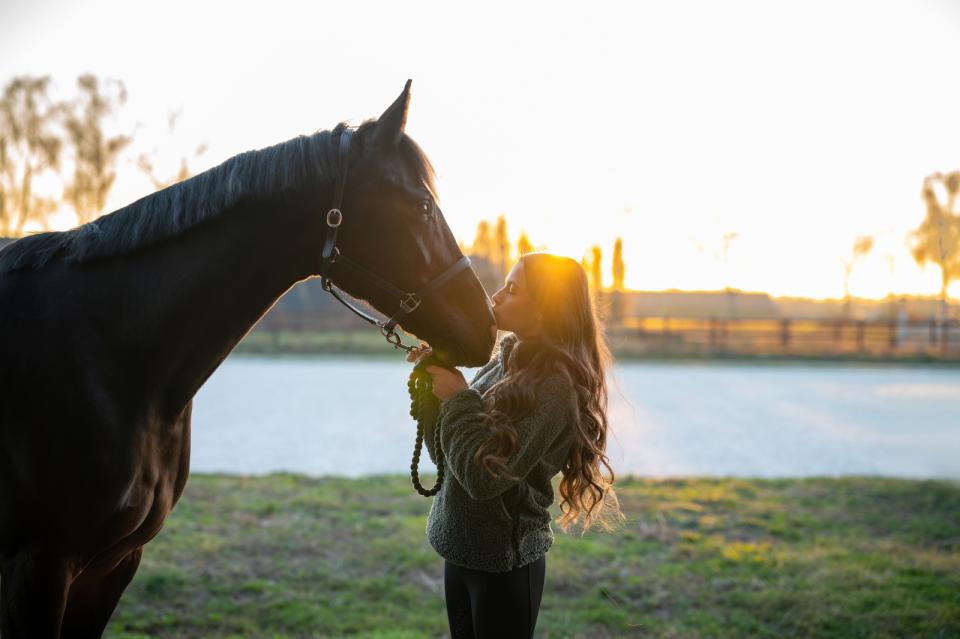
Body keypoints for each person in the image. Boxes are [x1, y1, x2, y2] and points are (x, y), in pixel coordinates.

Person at [407, 251, 624, 639]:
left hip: (504, 567)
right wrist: (435, 390)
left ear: (546, 308)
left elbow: (483, 478)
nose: (496, 297)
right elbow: (451, 457)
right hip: (460, 552)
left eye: (512, 289)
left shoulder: (555, 387)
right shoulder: (505, 361)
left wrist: (458, 396)